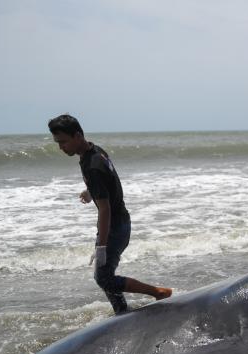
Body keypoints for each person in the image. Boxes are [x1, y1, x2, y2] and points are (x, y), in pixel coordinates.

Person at [48, 114, 171, 314]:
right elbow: (109, 183)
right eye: (58, 143)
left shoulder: (92, 165)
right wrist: (91, 192)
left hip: (115, 227)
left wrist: (102, 246)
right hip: (119, 223)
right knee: (104, 275)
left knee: (103, 277)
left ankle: (158, 292)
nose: (61, 147)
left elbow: (105, 209)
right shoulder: (95, 151)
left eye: (63, 142)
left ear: (77, 135)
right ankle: (121, 310)